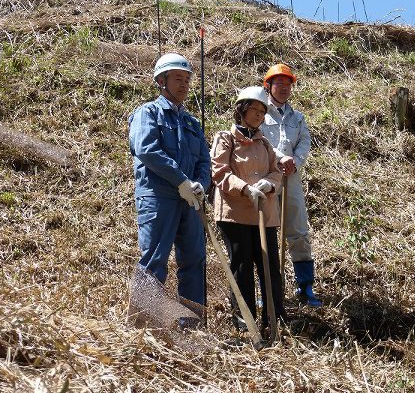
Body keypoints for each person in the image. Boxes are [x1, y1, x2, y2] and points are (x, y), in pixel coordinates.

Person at [128, 52, 210, 307]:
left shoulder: (192, 123)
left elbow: (205, 161)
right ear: (161, 81)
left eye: (187, 79)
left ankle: (193, 326)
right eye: (178, 78)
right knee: (154, 259)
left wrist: (199, 185)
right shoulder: (147, 113)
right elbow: (146, 149)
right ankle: (144, 324)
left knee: (195, 260)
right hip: (158, 196)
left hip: (190, 200)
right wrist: (181, 181)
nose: (184, 84)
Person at [211, 86, 285, 329]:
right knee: (241, 265)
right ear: (241, 109)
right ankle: (246, 321)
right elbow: (220, 172)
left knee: (270, 267)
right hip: (235, 214)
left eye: (263, 111)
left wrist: (269, 184)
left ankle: (275, 318)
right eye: (255, 109)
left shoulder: (265, 144)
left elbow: (277, 172)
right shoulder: (225, 138)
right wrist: (245, 188)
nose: (259, 115)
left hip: (264, 215)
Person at [261, 64, 322, 307]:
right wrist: (279, 158)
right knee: (265, 233)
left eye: (288, 85)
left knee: (298, 231)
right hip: (266, 176)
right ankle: (268, 290)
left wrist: (295, 162)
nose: (284, 88)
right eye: (279, 84)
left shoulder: (298, 117)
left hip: (292, 178)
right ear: (268, 86)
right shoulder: (260, 112)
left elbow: (305, 142)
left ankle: (305, 287)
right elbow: (259, 140)